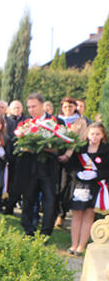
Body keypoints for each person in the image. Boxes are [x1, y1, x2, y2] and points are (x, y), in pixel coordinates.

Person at [17, 92, 64, 237]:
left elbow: (63, 144)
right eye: (29, 107)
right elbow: (17, 145)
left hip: (49, 169)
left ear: (42, 105)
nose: (31, 110)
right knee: (28, 199)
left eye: (34, 106)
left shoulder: (56, 122)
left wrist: (52, 149)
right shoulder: (25, 123)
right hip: (30, 168)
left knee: (49, 201)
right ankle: (28, 230)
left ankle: (45, 233)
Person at [62, 123, 109, 255]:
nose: (94, 137)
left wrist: (97, 175)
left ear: (102, 135)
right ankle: (73, 245)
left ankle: (81, 246)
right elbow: (70, 167)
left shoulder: (106, 150)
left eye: (97, 134)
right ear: (87, 134)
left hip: (96, 187)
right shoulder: (80, 149)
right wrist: (78, 174)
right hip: (80, 186)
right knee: (76, 215)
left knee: (89, 216)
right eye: (92, 134)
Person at [55, 97, 88, 229]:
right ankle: (56, 213)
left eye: (70, 106)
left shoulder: (80, 122)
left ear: (75, 107)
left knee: (67, 186)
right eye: (65, 107)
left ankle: (62, 215)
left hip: (72, 158)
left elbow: (77, 140)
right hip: (57, 157)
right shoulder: (57, 120)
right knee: (57, 186)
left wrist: (67, 155)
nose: (67, 109)